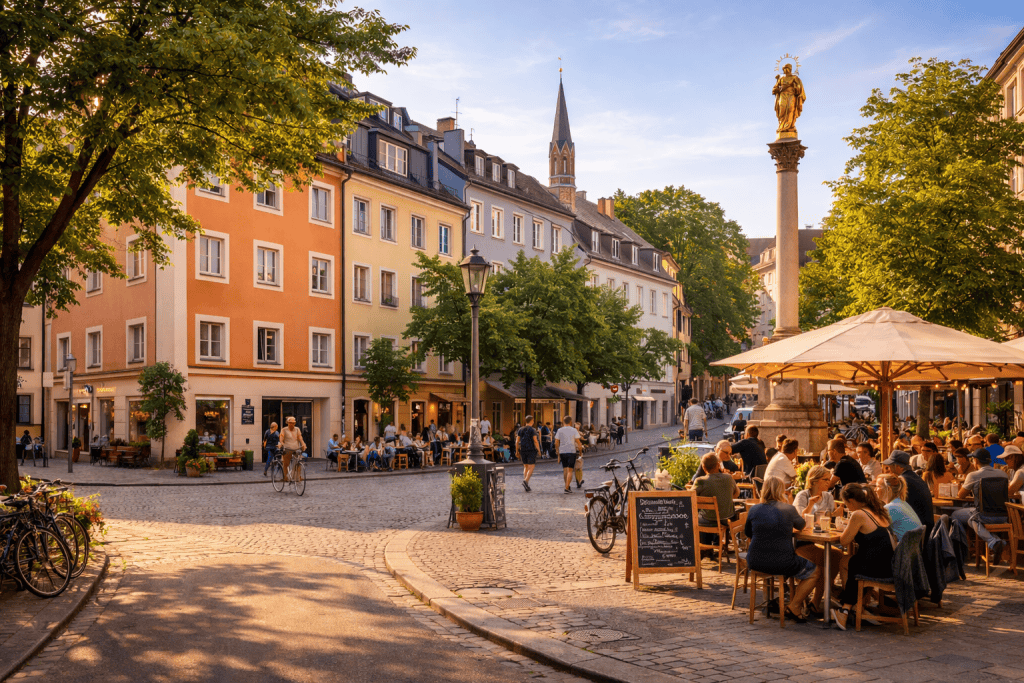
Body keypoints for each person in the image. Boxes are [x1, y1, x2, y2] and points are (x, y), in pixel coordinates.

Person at [744, 477, 820, 623]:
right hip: (782, 562)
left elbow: (748, 533)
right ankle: (794, 605)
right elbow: (801, 525)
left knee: (792, 564)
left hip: (755, 561)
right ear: (781, 491)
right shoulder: (788, 509)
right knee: (815, 571)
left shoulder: (754, 509)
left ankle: (786, 600)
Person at [831, 483, 895, 630]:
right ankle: (857, 606)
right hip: (888, 563)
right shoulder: (877, 511)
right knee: (849, 561)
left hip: (876, 568)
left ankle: (846, 608)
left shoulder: (859, 514)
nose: (847, 506)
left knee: (849, 563)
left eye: (846, 503)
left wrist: (844, 526)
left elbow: (844, 541)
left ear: (851, 501)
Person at [794, 465, 841, 616]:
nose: (829, 482)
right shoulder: (803, 495)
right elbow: (799, 520)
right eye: (825, 479)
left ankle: (816, 601)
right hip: (803, 542)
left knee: (837, 555)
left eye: (829, 479)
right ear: (814, 481)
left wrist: (835, 514)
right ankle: (814, 600)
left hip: (820, 540)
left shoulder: (828, 496)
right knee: (829, 559)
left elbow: (829, 518)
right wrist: (810, 505)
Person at [953, 448, 1010, 563]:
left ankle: (966, 550)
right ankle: (996, 542)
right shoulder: (1003, 474)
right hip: (1003, 516)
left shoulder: (973, 475)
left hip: (984, 515)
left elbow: (961, 496)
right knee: (974, 518)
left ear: (975, 461)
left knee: (956, 515)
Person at [882, 450, 934, 540]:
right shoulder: (914, 477)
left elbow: (893, 506)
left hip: (917, 537)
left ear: (900, 467)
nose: (888, 470)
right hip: (925, 531)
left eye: (890, 467)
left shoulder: (903, 481)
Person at [695, 453, 740, 537]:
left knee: (696, 518)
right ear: (718, 465)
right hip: (727, 518)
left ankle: (705, 547)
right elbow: (737, 493)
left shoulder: (700, 481)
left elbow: (691, 496)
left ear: (703, 467)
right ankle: (716, 544)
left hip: (709, 520)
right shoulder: (729, 478)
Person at [876, 474, 922, 542]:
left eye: (878, 486)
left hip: (903, 550)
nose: (875, 489)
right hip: (914, 549)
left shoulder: (890, 508)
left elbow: (875, 529)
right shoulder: (902, 503)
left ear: (888, 489)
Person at [554, 416, 582, 494]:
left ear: (563, 422)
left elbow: (556, 442)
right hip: (571, 451)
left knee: (565, 469)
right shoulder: (574, 430)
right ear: (570, 422)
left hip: (562, 451)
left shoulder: (559, 430)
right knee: (570, 470)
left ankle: (567, 485)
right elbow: (578, 443)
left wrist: (558, 452)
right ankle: (566, 488)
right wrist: (580, 452)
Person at [517, 416, 540, 492]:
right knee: (531, 467)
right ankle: (525, 481)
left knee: (525, 466)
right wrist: (539, 450)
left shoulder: (520, 429)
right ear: (532, 421)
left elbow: (517, 441)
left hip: (523, 450)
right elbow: (535, 440)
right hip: (531, 449)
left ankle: (526, 484)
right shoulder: (532, 430)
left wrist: (517, 450)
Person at [279, 417, 306, 482]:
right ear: (287, 423)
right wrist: (281, 443)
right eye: (290, 423)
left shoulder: (297, 429)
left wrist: (303, 444)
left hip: (296, 448)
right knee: (286, 463)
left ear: (295, 423)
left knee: (298, 462)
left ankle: (298, 476)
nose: (292, 424)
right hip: (287, 448)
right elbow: (281, 438)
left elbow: (300, 438)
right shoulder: (284, 429)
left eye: (293, 423)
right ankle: (285, 477)